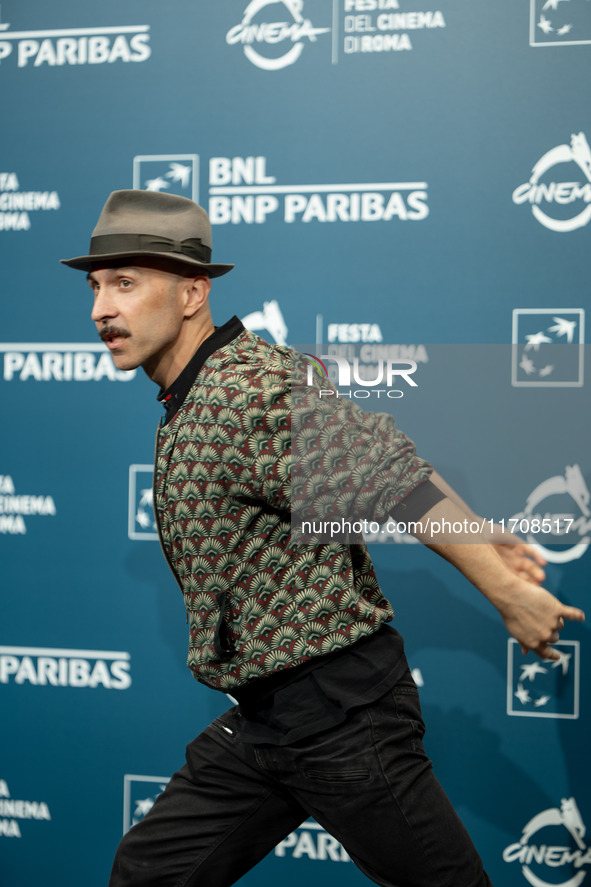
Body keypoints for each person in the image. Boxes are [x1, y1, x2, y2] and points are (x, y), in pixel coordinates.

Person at [62, 189, 585, 887]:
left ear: (192, 293)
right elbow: (385, 459)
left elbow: (390, 478)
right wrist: (484, 535)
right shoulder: (199, 390)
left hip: (341, 716)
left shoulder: (242, 390)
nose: (101, 309)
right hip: (265, 719)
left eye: (125, 284)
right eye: (97, 286)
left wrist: (504, 592)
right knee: (151, 871)